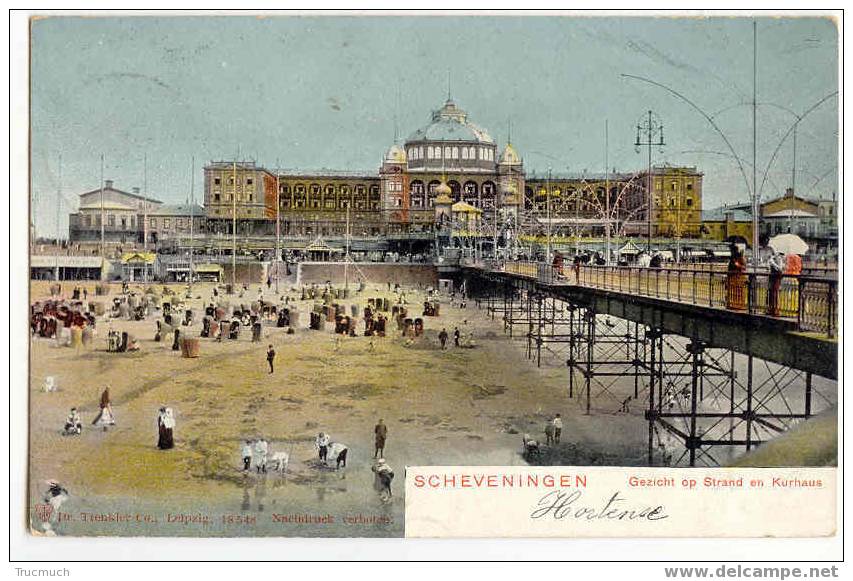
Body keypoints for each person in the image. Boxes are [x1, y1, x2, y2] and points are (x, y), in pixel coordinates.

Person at [767, 251, 785, 317]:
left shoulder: (780, 260)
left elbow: (780, 269)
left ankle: (775, 309)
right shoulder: (773, 259)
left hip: (776, 278)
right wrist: (770, 263)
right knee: (770, 293)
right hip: (772, 278)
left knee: (775, 293)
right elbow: (769, 269)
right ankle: (771, 308)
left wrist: (773, 263)